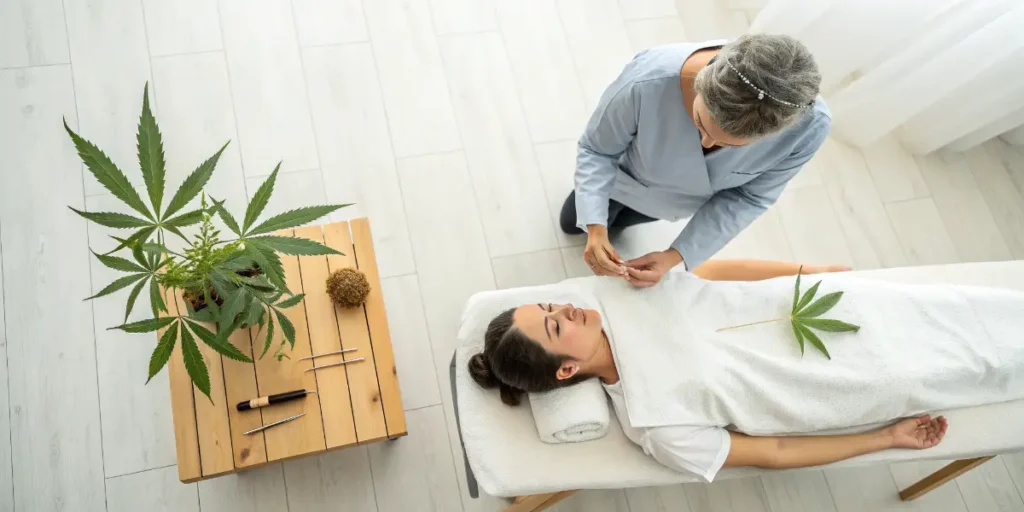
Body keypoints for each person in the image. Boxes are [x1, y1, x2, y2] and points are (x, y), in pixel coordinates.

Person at [468, 260, 948, 482]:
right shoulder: (653, 424)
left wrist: (814, 270)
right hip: (852, 376)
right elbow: (775, 451)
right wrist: (887, 439)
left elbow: (712, 274)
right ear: (566, 369)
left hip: (830, 305)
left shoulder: (621, 294)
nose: (569, 309)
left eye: (552, 304)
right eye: (555, 324)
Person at [563, 35, 830, 289]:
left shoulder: (810, 129)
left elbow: (749, 198)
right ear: (701, 80)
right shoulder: (647, 81)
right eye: (699, 123)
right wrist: (596, 229)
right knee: (571, 222)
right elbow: (597, 149)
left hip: (674, 204)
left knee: (621, 224)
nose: (704, 144)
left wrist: (674, 256)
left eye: (728, 146)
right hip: (622, 178)